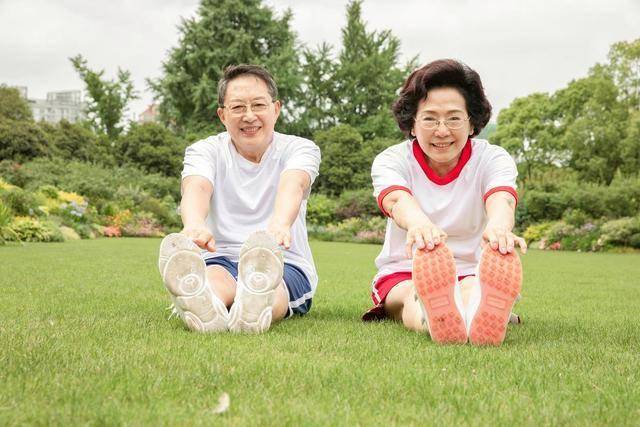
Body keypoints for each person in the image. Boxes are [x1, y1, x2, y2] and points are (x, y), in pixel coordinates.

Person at [362, 59, 527, 346]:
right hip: (405, 269)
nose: (442, 130)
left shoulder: (492, 158)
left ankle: (475, 311)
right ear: (412, 124)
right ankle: (436, 317)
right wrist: (418, 224)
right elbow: (396, 199)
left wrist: (499, 228)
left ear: (472, 123)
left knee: (471, 285)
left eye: (453, 118)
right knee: (412, 294)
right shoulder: (392, 159)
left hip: (471, 268)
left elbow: (501, 198)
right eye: (429, 119)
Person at [158, 64, 321, 334]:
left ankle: (256, 305)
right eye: (237, 107)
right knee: (214, 280)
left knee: (275, 289)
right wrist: (194, 224)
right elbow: (197, 187)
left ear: (276, 109)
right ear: (222, 115)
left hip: (282, 258)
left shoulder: (299, 148)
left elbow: (294, 184)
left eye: (258, 105)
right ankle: (206, 303)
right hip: (219, 255)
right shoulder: (205, 150)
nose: (249, 116)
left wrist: (280, 225)